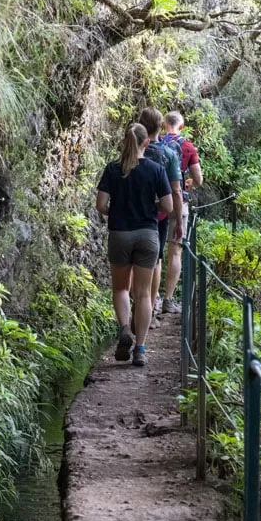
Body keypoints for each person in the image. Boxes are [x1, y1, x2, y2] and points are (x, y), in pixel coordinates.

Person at [96, 124, 173, 367]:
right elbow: (169, 206)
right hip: (148, 235)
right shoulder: (156, 170)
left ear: (124, 142)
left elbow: (101, 205)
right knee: (143, 294)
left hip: (119, 234)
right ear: (146, 143)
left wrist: (115, 211)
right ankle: (140, 348)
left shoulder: (112, 169)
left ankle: (124, 330)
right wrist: (152, 208)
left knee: (120, 289)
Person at [137, 107, 184, 317]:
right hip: (159, 217)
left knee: (130, 264)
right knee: (155, 260)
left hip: (130, 215)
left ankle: (133, 314)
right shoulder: (169, 154)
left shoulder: (132, 150)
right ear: (160, 127)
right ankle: (151, 307)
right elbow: (176, 190)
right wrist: (179, 220)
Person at [159, 110, 203, 312]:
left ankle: (154, 299)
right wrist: (190, 183)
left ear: (163, 125)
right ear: (182, 126)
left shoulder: (155, 143)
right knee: (175, 252)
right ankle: (168, 299)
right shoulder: (187, 146)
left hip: (157, 202)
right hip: (179, 203)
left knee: (156, 253)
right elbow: (199, 178)